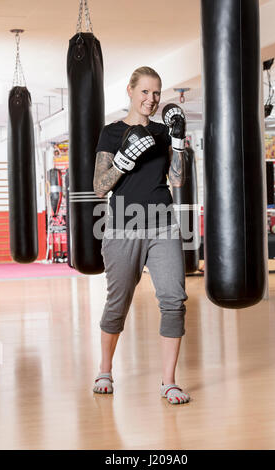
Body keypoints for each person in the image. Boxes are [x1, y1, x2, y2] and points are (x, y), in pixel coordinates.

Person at [92, 66, 190, 405]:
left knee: (174, 301)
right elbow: (98, 186)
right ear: (131, 92)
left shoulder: (163, 133)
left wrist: (177, 142)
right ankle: (105, 369)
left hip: (163, 224)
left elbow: (176, 180)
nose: (151, 99)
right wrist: (122, 161)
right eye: (145, 92)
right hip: (123, 226)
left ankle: (169, 381)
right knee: (118, 303)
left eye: (156, 93)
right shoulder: (112, 132)